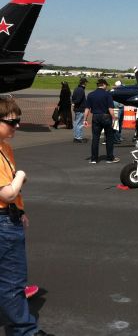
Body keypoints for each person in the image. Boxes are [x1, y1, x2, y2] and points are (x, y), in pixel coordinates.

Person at [0, 97, 54, 336]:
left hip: (8, 217)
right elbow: (8, 192)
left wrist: (19, 212)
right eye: (12, 122)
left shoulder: (5, 148)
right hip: (3, 222)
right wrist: (21, 175)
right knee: (12, 281)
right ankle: (24, 331)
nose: (17, 126)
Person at [84, 79, 120, 164]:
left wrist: (84, 119)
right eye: (106, 85)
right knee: (109, 138)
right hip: (106, 117)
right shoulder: (107, 94)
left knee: (95, 138)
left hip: (95, 117)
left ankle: (94, 159)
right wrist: (114, 118)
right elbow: (110, 109)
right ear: (103, 85)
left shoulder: (91, 95)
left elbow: (87, 109)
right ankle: (109, 158)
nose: (106, 86)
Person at [71, 77, 88, 142]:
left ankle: (76, 136)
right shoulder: (81, 90)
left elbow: (73, 98)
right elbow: (78, 100)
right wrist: (75, 103)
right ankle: (78, 137)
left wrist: (73, 103)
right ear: (84, 83)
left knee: (76, 123)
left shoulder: (76, 89)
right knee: (79, 124)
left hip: (77, 109)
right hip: (80, 109)